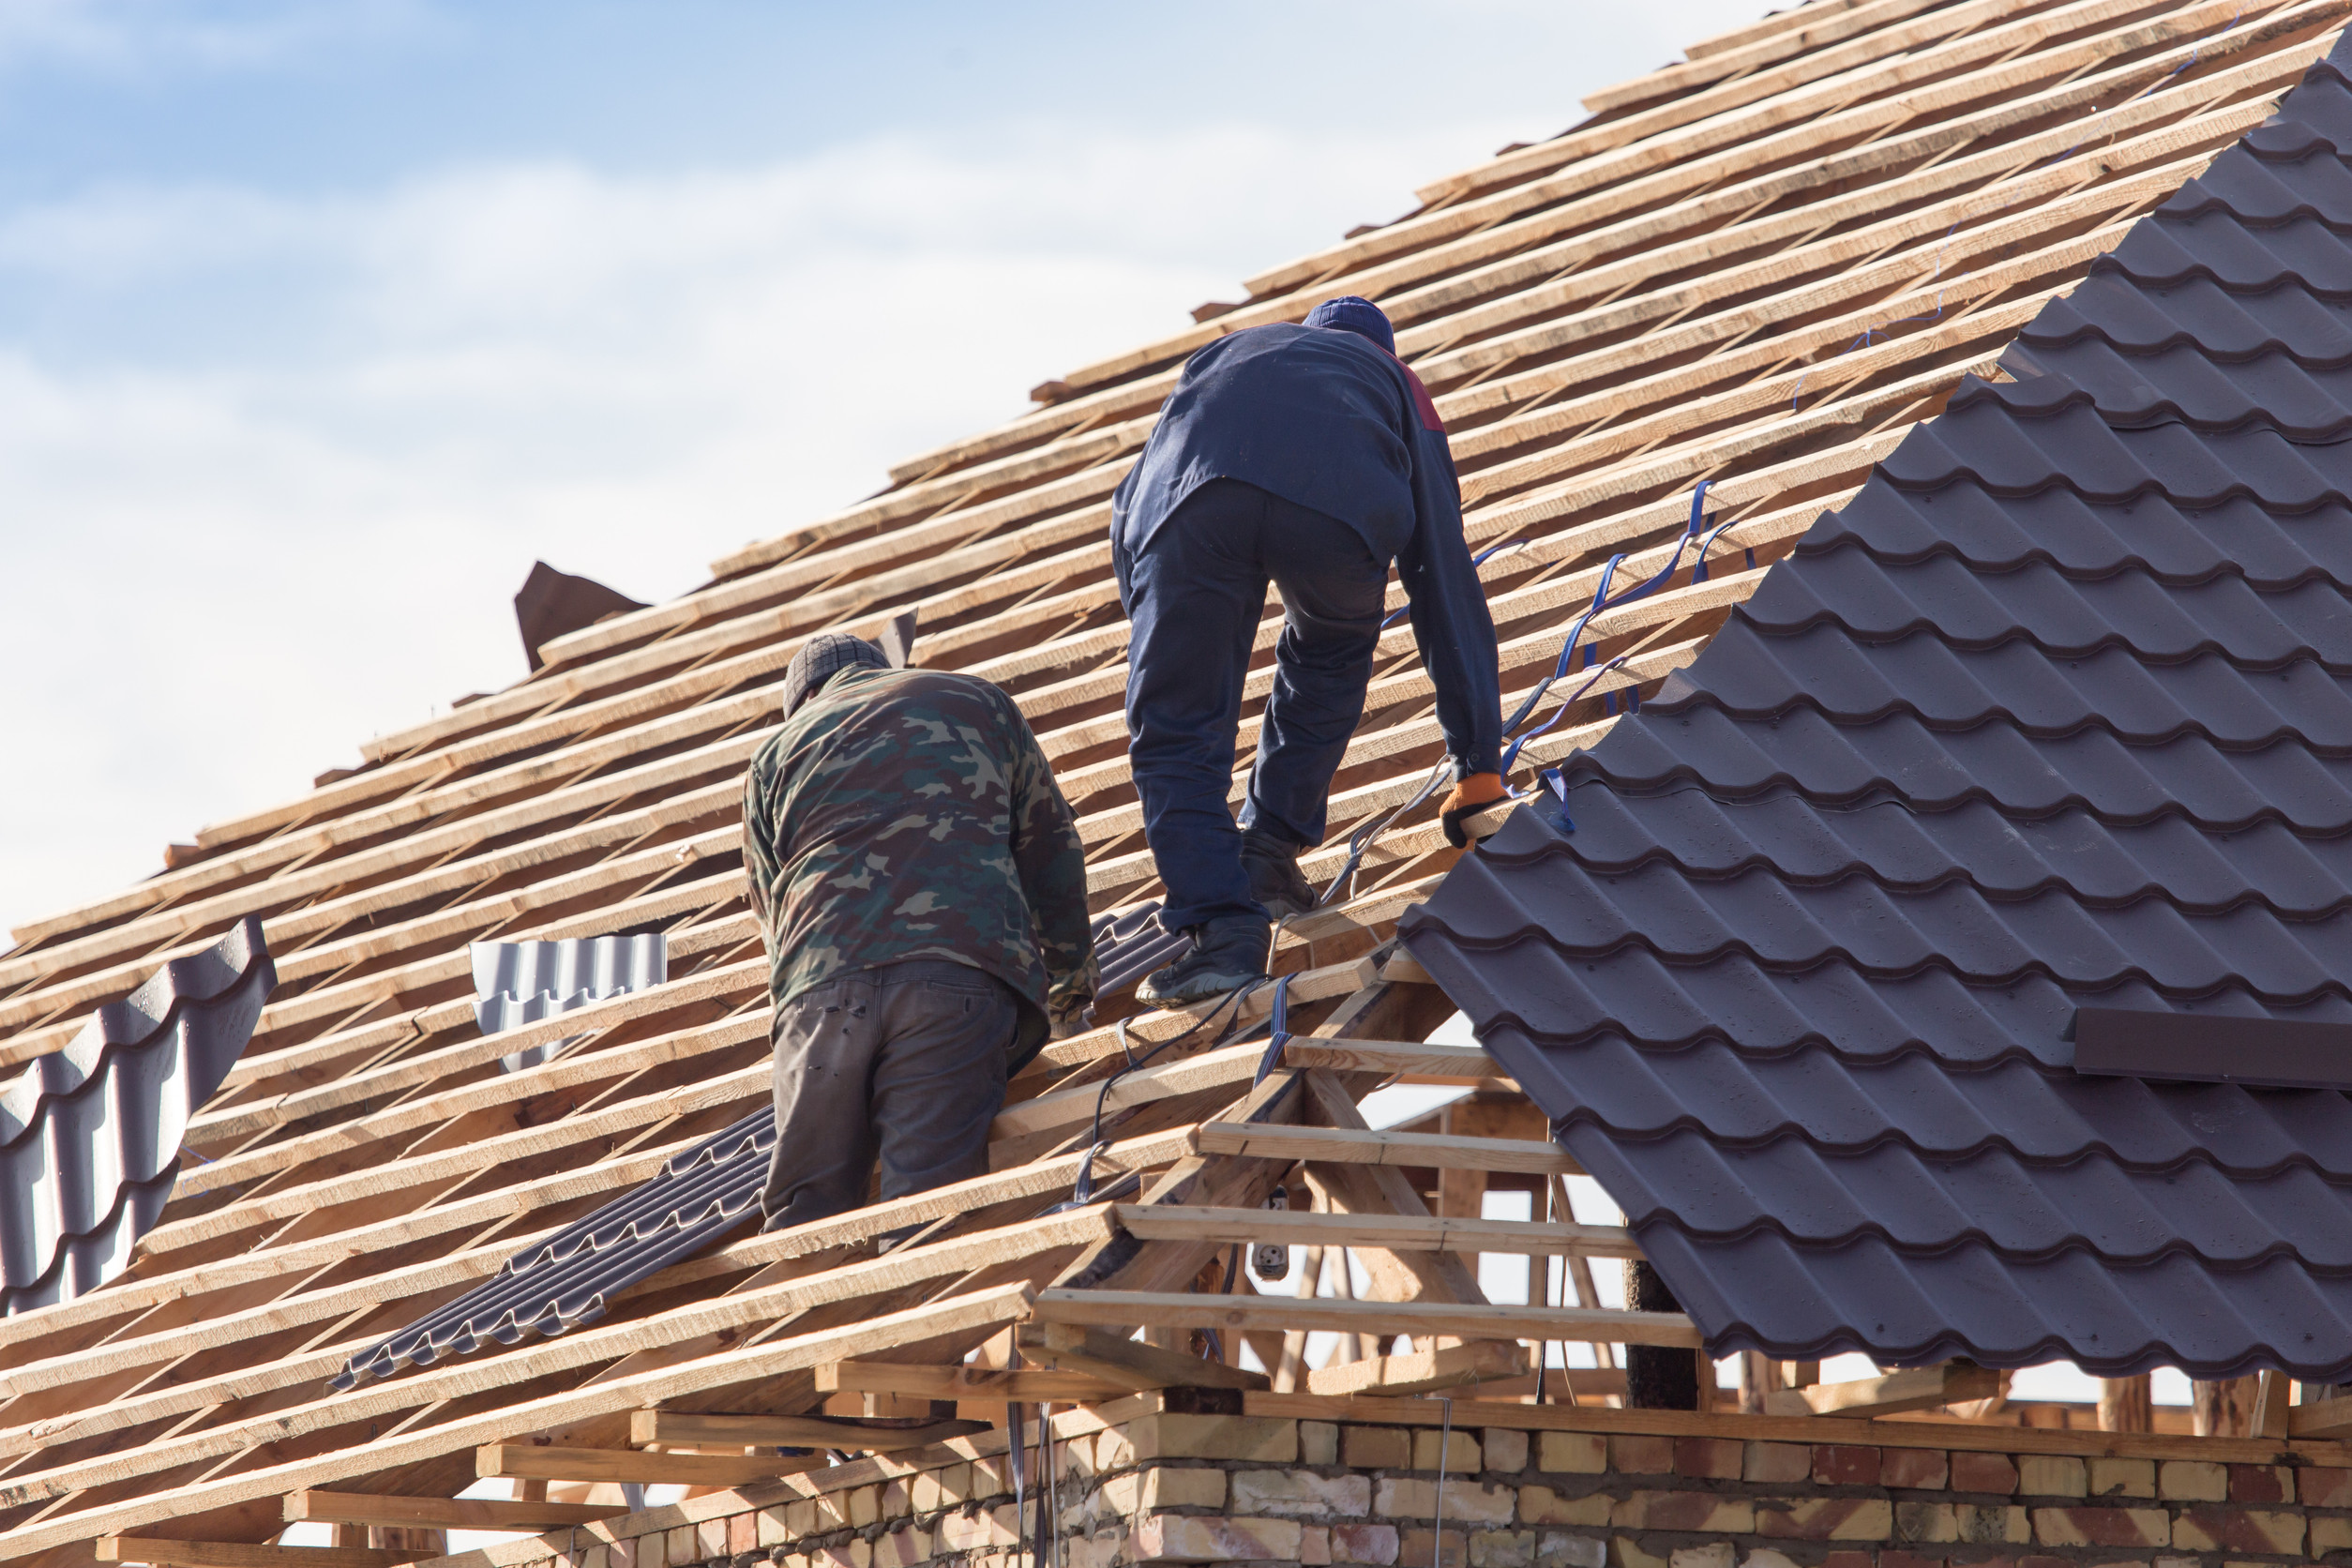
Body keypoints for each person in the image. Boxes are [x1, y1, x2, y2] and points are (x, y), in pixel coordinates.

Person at [1111, 294, 1506, 1004]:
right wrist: (1476, 761)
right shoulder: (1395, 380)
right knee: (1329, 653)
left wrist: (1164, 648)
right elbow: (1441, 574)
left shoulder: (1227, 354)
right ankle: (1266, 851)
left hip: (1193, 504)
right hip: (1336, 507)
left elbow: (1132, 504)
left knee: (1175, 732)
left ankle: (1222, 934)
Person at [742, 632, 1095, 1230]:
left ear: (801, 701)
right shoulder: (976, 701)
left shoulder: (773, 755)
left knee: (806, 1222)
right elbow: (1050, 850)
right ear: (880, 669)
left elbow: (771, 914)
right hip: (956, 977)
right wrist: (1069, 991)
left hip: (819, 998)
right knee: (926, 1218)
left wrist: (800, 1017)